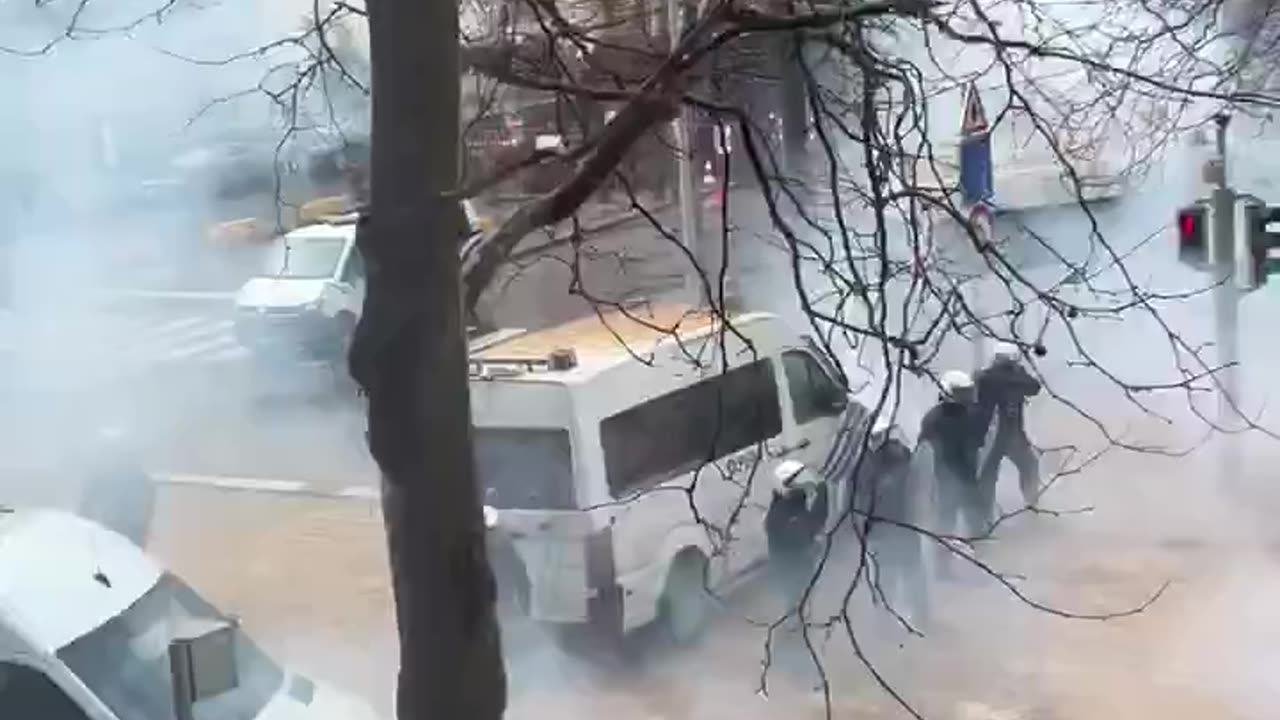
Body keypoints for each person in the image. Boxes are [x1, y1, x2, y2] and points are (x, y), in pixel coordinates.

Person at [854, 418, 930, 625]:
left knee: (889, 577)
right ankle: (918, 616)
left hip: (885, 529)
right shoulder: (903, 457)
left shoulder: (866, 464)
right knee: (909, 573)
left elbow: (860, 500)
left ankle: (886, 621)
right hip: (900, 527)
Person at [918, 369, 986, 580]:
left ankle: (980, 568)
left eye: (967, 392)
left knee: (976, 523)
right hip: (944, 480)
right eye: (961, 392)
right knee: (945, 525)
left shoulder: (970, 414)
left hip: (968, 477)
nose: (966, 397)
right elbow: (925, 451)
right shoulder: (933, 419)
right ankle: (942, 569)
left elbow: (977, 444)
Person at [975, 342, 1043, 515]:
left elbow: (1034, 387)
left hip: (1008, 434)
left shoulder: (989, 376)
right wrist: (1018, 372)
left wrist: (1018, 372)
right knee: (991, 474)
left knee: (1026, 465)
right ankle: (1029, 504)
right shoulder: (989, 377)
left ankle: (1030, 504)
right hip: (995, 434)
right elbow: (1031, 386)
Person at [77, 425, 156, 548]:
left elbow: (144, 513)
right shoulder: (98, 478)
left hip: (126, 539)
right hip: (106, 539)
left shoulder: (139, 479)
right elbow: (84, 510)